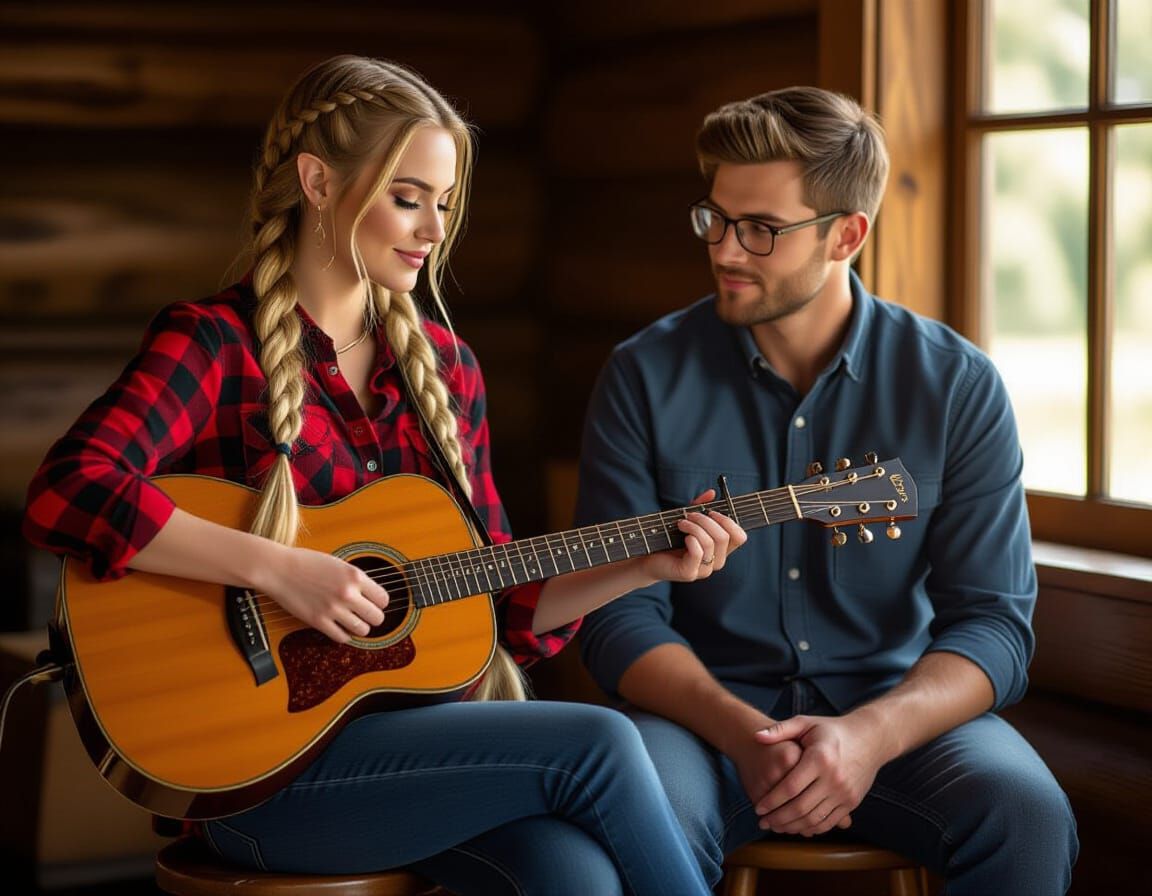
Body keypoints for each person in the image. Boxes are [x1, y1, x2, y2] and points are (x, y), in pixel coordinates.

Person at [21, 55, 746, 896]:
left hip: (418, 758)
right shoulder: (214, 344)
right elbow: (68, 488)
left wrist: (649, 563)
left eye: (444, 204)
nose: (434, 230)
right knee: (601, 743)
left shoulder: (445, 368)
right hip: (260, 781)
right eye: (408, 198)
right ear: (319, 183)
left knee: (574, 874)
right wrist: (280, 567)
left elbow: (500, 604)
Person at [575, 86, 1078, 894]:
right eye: (716, 218)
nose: (727, 251)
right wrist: (742, 732)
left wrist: (871, 735)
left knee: (1026, 813)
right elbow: (613, 614)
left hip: (898, 716)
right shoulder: (644, 376)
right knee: (637, 809)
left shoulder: (957, 385)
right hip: (701, 723)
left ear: (849, 234)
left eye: (762, 230)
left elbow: (993, 623)